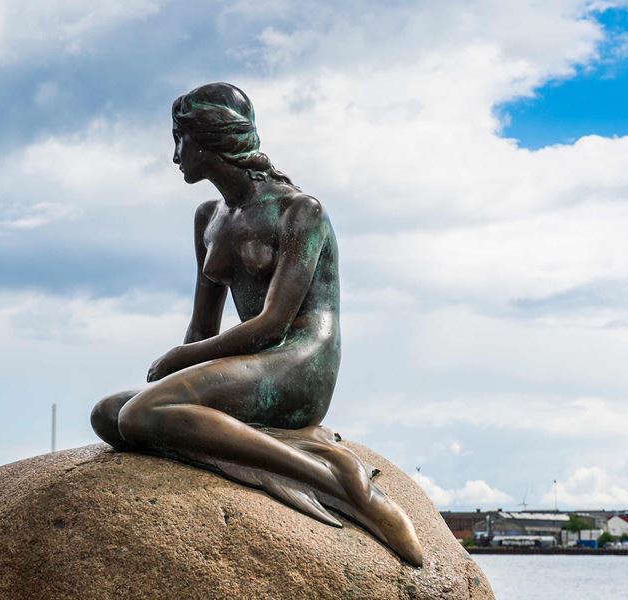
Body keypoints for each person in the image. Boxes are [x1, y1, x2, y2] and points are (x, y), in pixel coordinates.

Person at [91, 82, 422, 567]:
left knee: (141, 416)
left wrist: (180, 363)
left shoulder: (299, 211)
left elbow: (271, 326)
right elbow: (203, 329)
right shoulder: (209, 217)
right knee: (109, 414)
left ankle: (339, 485)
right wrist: (179, 371)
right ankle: (266, 449)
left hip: (298, 362)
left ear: (211, 139)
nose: (176, 155)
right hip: (250, 363)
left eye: (180, 139)